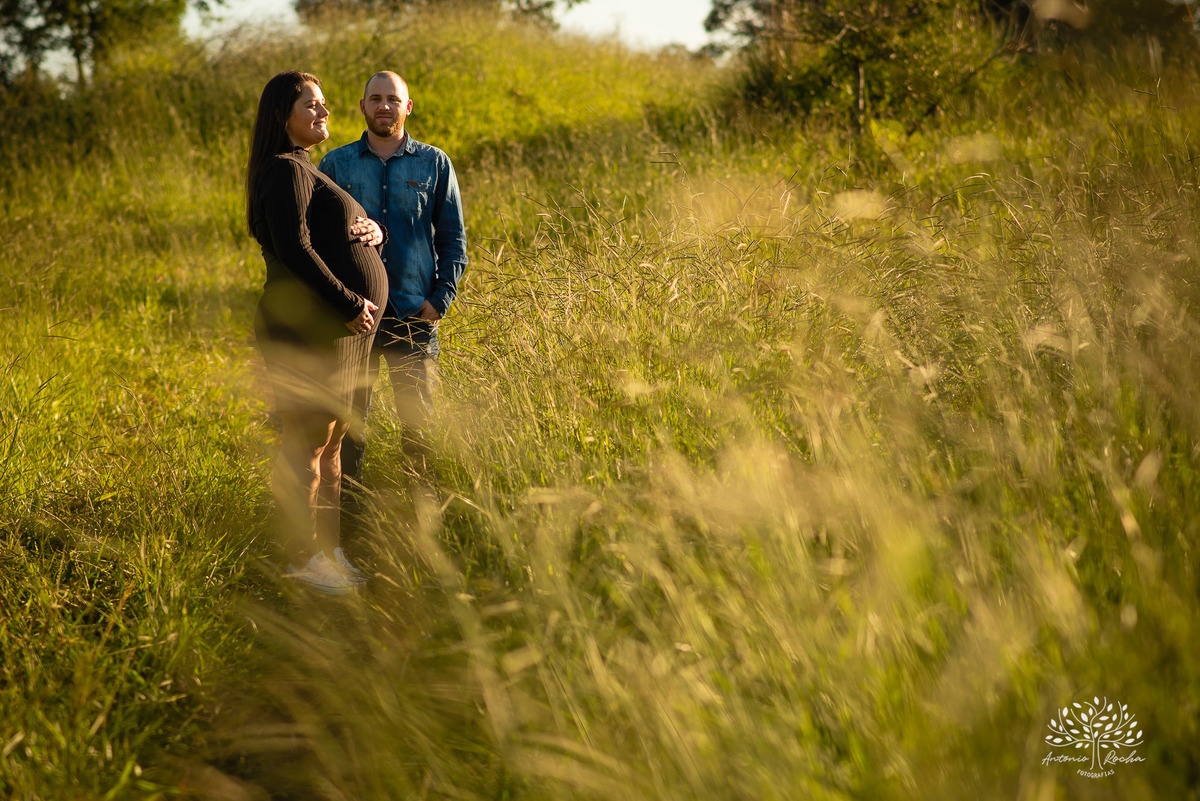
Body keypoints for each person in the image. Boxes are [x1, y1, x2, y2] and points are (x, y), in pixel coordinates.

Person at [246, 71, 389, 595]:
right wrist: (351, 303)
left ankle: (327, 553)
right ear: (282, 115)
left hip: (334, 331)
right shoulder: (285, 169)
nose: (324, 113)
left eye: (325, 104)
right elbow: (294, 249)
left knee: (329, 446)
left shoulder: (303, 168)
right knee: (307, 446)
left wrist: (376, 231)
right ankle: (300, 558)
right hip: (309, 328)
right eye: (312, 105)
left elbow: (334, 236)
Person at [319, 70, 468, 489]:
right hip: (355, 318)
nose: (384, 106)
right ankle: (351, 526)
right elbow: (320, 241)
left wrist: (441, 299)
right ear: (363, 106)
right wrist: (337, 304)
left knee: (418, 431)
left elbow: (453, 238)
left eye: (392, 99)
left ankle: (417, 526)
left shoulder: (434, 162)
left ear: (408, 106)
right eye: (376, 98)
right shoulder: (336, 163)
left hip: (413, 316)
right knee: (348, 433)